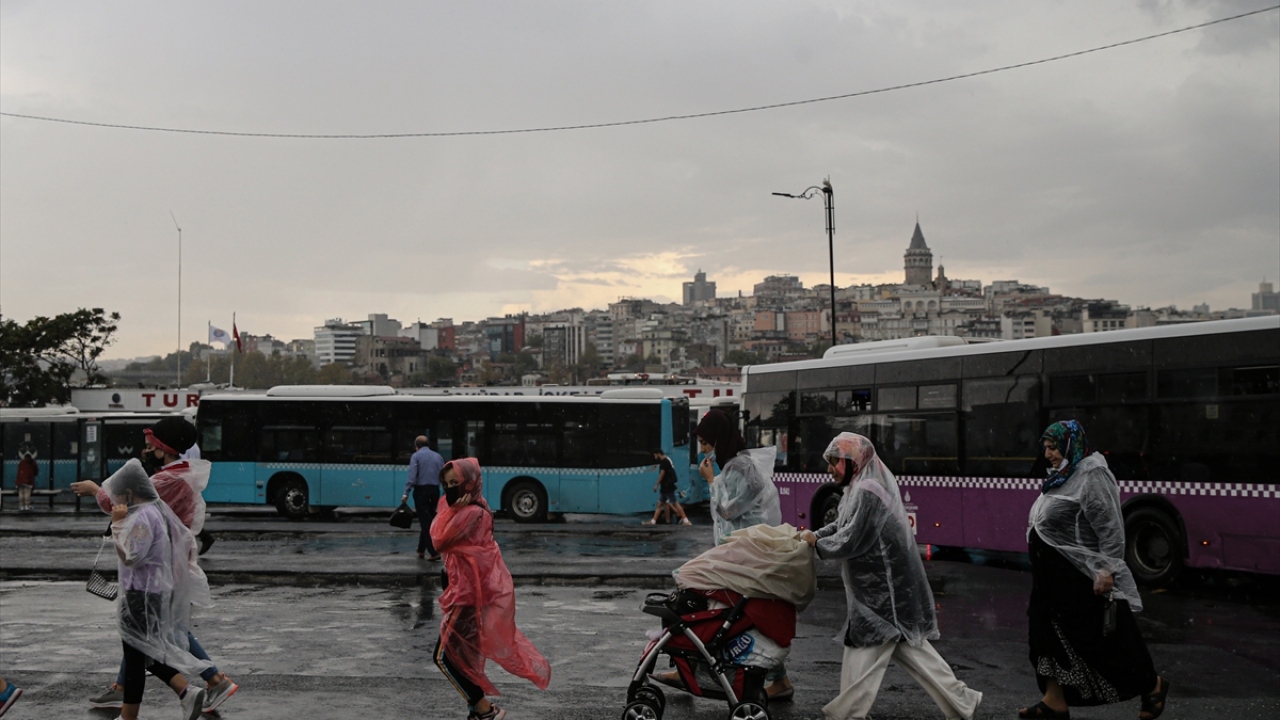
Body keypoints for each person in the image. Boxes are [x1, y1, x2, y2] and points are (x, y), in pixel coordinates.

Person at [799, 433, 982, 720]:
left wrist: (815, 544)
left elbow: (851, 537)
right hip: (877, 593)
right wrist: (815, 535)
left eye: (834, 462)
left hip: (884, 595)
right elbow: (841, 524)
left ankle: (847, 715)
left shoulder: (868, 490)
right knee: (906, 650)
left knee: (866, 652)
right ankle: (963, 702)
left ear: (852, 461)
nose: (829, 469)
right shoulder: (857, 487)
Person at [72, 417, 239, 714]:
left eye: (151, 445)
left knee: (156, 632)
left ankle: (209, 681)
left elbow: (126, 506)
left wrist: (98, 492)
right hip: (164, 566)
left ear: (163, 447)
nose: (146, 449)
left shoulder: (164, 483)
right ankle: (134, 689)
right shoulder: (177, 474)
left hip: (156, 572)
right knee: (143, 635)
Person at [1019, 420, 1169, 720]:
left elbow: (1110, 526)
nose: (1047, 454)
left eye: (1052, 448)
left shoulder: (1091, 474)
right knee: (1044, 636)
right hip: (1050, 579)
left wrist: (1105, 569)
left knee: (1099, 642)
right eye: (1046, 448)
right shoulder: (1061, 476)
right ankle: (1054, 699)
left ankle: (1152, 685)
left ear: (1069, 444)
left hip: (1077, 576)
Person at [431, 458, 551, 720]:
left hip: (466, 597)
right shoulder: (478, 506)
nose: (450, 489)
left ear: (470, 483)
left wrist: (451, 512)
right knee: (464, 657)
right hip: (468, 594)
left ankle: (485, 710)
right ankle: (478, 710)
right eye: (447, 484)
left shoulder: (471, 513)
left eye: (456, 483)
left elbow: (438, 539)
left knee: (444, 658)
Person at [102, 459, 211, 720]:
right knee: (142, 650)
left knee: (135, 655)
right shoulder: (151, 511)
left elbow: (132, 556)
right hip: (147, 591)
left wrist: (117, 525)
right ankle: (185, 691)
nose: (115, 500)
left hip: (142, 593)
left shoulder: (142, 517)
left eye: (117, 494)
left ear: (129, 492)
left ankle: (130, 715)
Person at [694, 409, 781, 545]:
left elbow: (727, 512)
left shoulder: (740, 468)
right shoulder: (736, 466)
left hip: (745, 548)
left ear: (719, 439)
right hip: (742, 547)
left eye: (704, 443)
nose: (702, 449)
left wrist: (710, 481)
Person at [401, 435, 445, 560]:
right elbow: (443, 475)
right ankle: (421, 549)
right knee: (428, 519)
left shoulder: (416, 456)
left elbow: (412, 476)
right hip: (434, 491)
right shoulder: (438, 456)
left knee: (425, 522)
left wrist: (406, 492)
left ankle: (433, 552)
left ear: (417, 446)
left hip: (421, 491)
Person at [643, 448, 691, 526]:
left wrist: (656, 484)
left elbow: (662, 474)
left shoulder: (664, 462)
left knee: (675, 503)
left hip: (667, 487)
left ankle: (686, 521)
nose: (655, 457)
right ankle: (653, 521)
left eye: (655, 455)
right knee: (659, 504)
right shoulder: (666, 461)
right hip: (665, 487)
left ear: (658, 453)